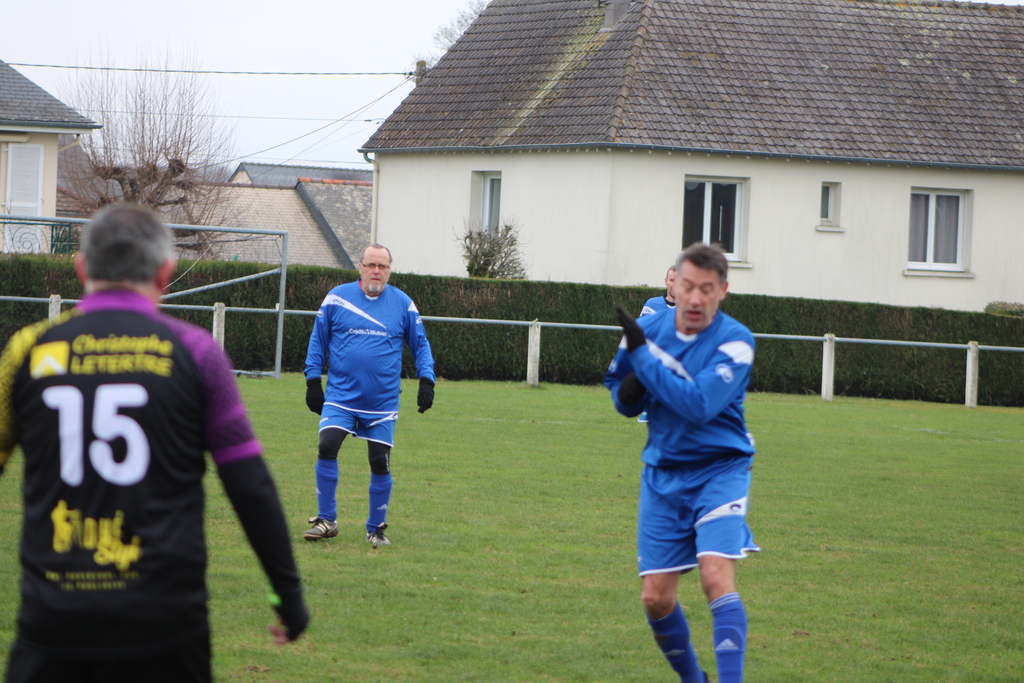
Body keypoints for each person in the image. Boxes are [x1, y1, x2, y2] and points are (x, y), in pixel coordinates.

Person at [0, 203, 309, 683]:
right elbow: (249, 484)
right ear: (165, 273)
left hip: (54, 622)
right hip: (166, 624)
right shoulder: (197, 353)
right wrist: (286, 593)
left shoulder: (27, 349)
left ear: (81, 268)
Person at [605, 243, 758, 683]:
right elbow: (621, 395)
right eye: (688, 286)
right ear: (674, 284)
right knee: (655, 597)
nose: (694, 298)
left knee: (714, 574)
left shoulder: (736, 341)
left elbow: (698, 404)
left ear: (722, 291)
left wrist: (645, 361)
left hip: (720, 470)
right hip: (663, 475)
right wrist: (629, 393)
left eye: (706, 289)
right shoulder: (648, 331)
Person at [303, 243, 435, 546]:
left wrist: (427, 381)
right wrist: (312, 381)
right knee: (327, 445)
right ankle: (326, 520)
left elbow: (421, 344)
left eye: (383, 266)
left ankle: (375, 529)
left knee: (379, 461)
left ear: (389, 270)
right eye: (371, 265)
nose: (377, 271)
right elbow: (317, 340)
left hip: (381, 402)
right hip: (341, 397)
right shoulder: (337, 298)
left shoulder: (403, 304)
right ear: (360, 267)